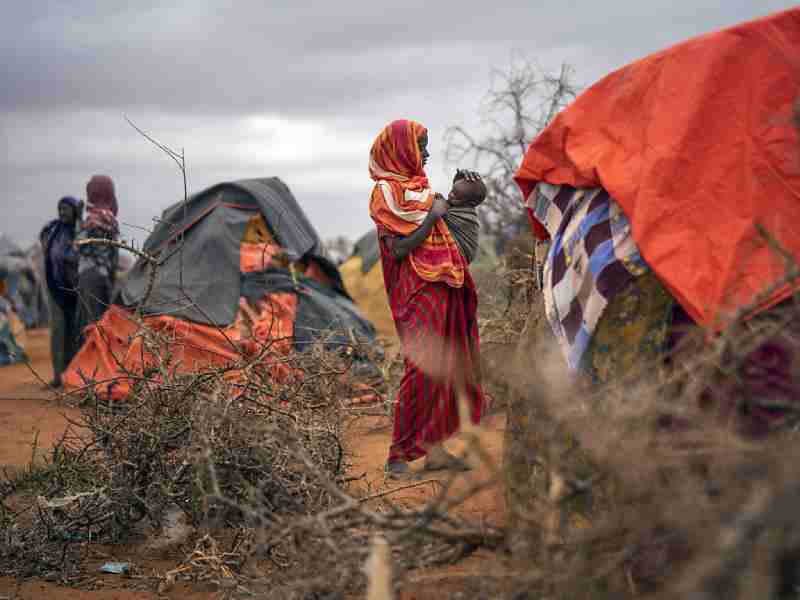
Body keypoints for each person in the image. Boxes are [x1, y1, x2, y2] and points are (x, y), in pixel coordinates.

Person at [368, 119, 487, 478]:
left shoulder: (421, 189)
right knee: (420, 369)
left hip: (443, 286)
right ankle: (396, 455)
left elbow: (454, 232)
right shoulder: (386, 193)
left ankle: (435, 451)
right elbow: (400, 248)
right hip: (415, 291)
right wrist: (431, 218)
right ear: (402, 149)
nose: (427, 154)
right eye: (421, 146)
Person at [40, 196, 82, 387]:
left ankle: (71, 374)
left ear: (75, 211)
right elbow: (46, 249)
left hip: (76, 290)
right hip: (55, 288)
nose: (63, 212)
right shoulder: (53, 230)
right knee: (58, 330)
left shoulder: (80, 231)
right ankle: (58, 375)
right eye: (61, 209)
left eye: (67, 209)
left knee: (74, 332)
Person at [76, 175, 119, 337]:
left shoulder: (100, 217)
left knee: (92, 326)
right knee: (94, 324)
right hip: (97, 278)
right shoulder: (104, 217)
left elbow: (80, 246)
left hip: (92, 279)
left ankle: (93, 361)